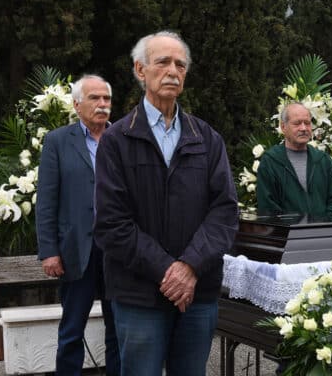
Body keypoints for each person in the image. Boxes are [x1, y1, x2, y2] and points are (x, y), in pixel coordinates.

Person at [94, 31, 239, 376]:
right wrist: (168, 271)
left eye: (180, 64)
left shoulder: (206, 138)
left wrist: (189, 267)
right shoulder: (117, 140)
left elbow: (224, 211)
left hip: (197, 294)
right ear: (140, 71)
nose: (173, 71)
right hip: (139, 295)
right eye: (162, 62)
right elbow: (113, 223)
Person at [36, 74, 120, 375]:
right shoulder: (58, 141)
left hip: (117, 251)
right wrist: (49, 251)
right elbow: (46, 201)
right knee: (72, 330)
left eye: (106, 99)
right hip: (75, 250)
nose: (102, 104)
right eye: (95, 98)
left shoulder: (122, 140)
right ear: (76, 104)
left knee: (118, 330)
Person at [256, 102, 332, 221]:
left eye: (307, 123)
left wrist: (325, 227)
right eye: (297, 123)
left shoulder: (323, 161)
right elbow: (267, 208)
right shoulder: (271, 162)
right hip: (286, 237)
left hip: (322, 236)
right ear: (283, 127)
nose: (303, 128)